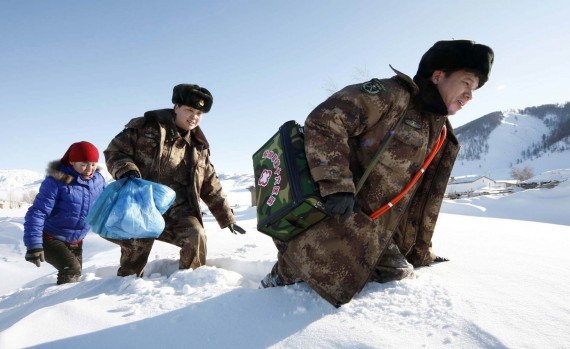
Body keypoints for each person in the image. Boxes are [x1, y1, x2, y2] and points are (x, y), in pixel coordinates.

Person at [260, 39, 494, 307]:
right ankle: (270, 290)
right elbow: (325, 120)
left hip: (373, 235)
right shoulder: (391, 95)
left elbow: (419, 199)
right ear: (438, 75)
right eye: (466, 83)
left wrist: (420, 252)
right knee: (295, 283)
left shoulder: (439, 131)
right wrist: (337, 185)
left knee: (397, 276)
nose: (469, 96)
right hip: (333, 222)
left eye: (474, 89)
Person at [104, 83, 246, 277]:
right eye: (189, 110)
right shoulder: (146, 128)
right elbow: (115, 151)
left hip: (178, 210)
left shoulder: (199, 147)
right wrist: (127, 170)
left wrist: (226, 216)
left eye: (199, 113)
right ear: (177, 107)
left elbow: (210, 183)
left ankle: (188, 284)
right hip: (143, 205)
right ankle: (125, 290)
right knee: (134, 259)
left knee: (195, 236)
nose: (194, 117)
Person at [23, 141, 107, 285]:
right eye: (84, 164)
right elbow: (38, 212)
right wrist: (33, 244)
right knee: (71, 270)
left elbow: (106, 202)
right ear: (72, 162)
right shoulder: (56, 181)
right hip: (49, 238)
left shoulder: (98, 180)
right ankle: (61, 307)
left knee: (74, 277)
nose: (89, 169)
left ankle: (63, 304)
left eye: (93, 164)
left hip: (76, 240)